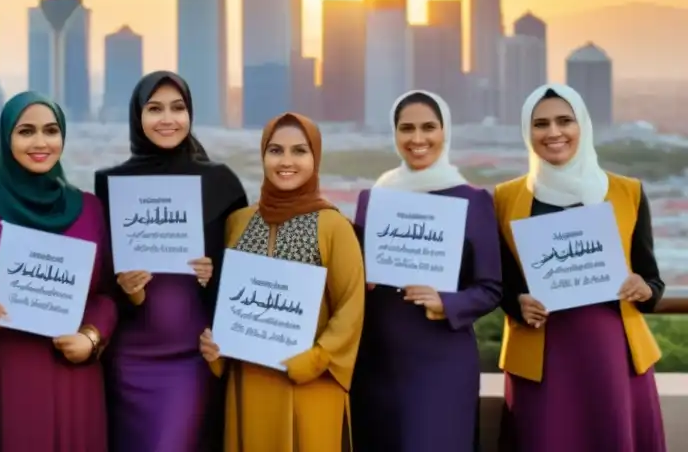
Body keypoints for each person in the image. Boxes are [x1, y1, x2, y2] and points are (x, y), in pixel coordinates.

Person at [496, 83, 666, 451]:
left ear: (582, 126)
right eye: (540, 124)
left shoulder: (627, 192)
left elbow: (652, 278)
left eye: (564, 121)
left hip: (612, 354)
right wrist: (517, 301)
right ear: (528, 132)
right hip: (541, 356)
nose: (553, 132)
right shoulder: (505, 198)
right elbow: (500, 282)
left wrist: (645, 287)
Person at [0, 91, 117, 452]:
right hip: (5, 373)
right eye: (26, 131)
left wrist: (91, 338)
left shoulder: (91, 209)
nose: (40, 142)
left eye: (51, 130)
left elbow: (106, 294)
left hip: (74, 372)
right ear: (6, 138)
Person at [94, 71, 249, 452]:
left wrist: (213, 273)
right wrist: (127, 291)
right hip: (127, 357)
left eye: (178, 108)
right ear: (137, 117)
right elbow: (100, 279)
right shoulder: (110, 183)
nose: (168, 118)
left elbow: (244, 277)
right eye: (155, 108)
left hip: (191, 355)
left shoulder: (221, 183)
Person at [199, 112, 365, 451]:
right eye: (275, 151)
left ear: (315, 157)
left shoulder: (333, 226)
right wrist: (216, 348)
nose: (286, 161)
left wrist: (313, 360)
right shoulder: (239, 222)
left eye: (299, 151)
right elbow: (229, 301)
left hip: (311, 383)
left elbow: (351, 308)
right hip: (248, 383)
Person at [351, 90, 502, 451]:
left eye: (428, 127)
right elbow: (353, 278)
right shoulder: (374, 200)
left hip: (441, 362)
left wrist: (446, 304)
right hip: (377, 363)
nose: (418, 139)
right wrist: (362, 279)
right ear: (395, 134)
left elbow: (491, 287)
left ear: (445, 131)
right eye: (407, 128)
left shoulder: (473, 200)